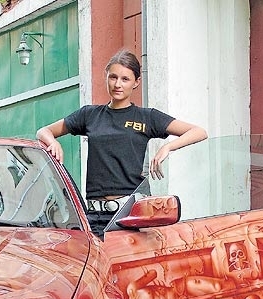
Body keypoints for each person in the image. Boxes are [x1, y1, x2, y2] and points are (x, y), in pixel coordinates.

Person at [36, 49, 207, 237]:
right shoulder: (89, 115)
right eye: (113, 77)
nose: (118, 84)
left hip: (131, 215)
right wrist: (53, 143)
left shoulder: (147, 117)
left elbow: (199, 132)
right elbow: (43, 131)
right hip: (93, 216)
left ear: (136, 82)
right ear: (106, 77)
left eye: (125, 79)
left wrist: (167, 146)